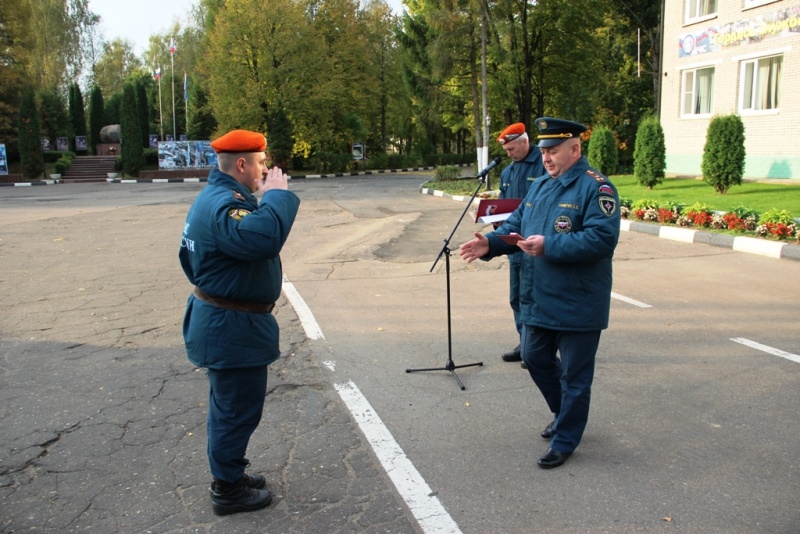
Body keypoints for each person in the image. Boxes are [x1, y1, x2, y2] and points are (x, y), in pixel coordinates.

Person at [460, 117, 620, 469]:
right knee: (533, 357)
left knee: (575, 376)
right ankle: (565, 413)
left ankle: (565, 439)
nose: (546, 158)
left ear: (575, 149)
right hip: (540, 296)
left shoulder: (598, 189)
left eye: (554, 151)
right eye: (544, 151)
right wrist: (491, 242)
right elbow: (516, 224)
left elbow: (602, 239)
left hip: (579, 300)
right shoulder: (542, 186)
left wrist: (550, 245)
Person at [178, 129, 301, 514]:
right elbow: (262, 240)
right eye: (262, 163)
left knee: (229, 409)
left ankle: (230, 472)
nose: (266, 170)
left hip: (227, 324)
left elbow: (189, 259)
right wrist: (277, 196)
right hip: (231, 328)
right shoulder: (225, 205)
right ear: (243, 164)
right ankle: (228, 491)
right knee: (236, 412)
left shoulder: (219, 199)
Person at [495, 123, 545, 366]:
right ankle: (524, 342)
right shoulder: (508, 171)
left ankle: (538, 348)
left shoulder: (542, 164)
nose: (509, 154)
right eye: (506, 151)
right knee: (516, 297)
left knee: (533, 297)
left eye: (512, 148)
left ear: (525, 142)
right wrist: (493, 219)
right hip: (513, 244)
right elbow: (504, 205)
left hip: (536, 246)